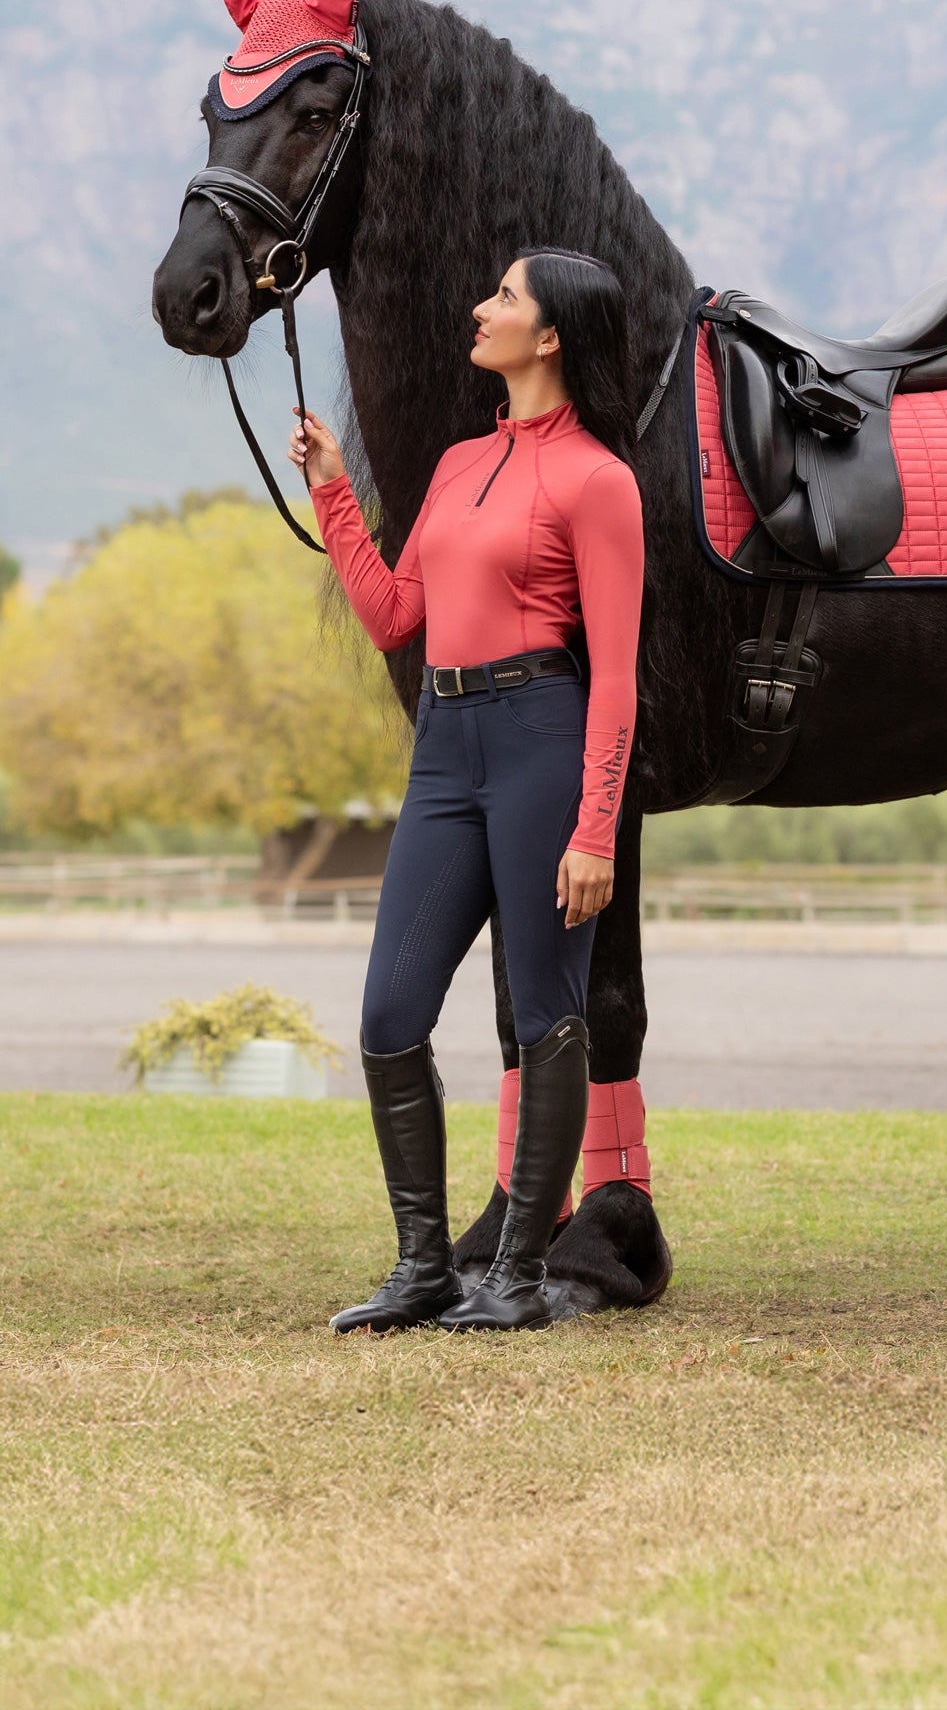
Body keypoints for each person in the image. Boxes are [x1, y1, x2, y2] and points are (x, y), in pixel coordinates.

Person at [291, 247, 644, 1333]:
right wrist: (336, 493)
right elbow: (398, 615)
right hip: (443, 746)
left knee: (545, 1012)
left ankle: (522, 1277)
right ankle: (423, 1269)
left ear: (551, 338)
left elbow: (620, 675)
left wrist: (595, 830)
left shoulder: (598, 480)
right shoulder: (453, 465)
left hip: (542, 737)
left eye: (504, 297)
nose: (479, 308)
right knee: (389, 1016)